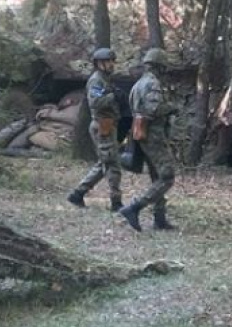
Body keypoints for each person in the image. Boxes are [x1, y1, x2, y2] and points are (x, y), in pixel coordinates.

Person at [118, 48, 178, 232]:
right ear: (160, 66)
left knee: (156, 176)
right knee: (167, 176)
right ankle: (134, 207)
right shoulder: (152, 83)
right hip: (154, 135)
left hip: (142, 133)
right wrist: (171, 107)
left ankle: (159, 219)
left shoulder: (139, 84)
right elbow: (154, 109)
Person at [67, 47, 123, 211]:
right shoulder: (96, 80)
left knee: (105, 161)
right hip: (102, 124)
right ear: (99, 63)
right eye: (107, 61)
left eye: (112, 61)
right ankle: (116, 201)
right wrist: (113, 96)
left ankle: (78, 193)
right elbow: (95, 102)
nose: (111, 64)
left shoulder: (105, 79)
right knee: (112, 164)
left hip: (108, 123)